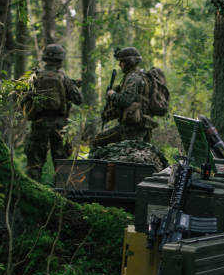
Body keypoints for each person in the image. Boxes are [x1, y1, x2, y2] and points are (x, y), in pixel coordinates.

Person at [22, 44, 82, 181]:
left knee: (34, 163)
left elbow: (24, 98)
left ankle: (33, 191)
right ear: (60, 61)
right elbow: (78, 99)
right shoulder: (63, 78)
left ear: (45, 59)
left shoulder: (35, 76)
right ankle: (61, 195)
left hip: (39, 123)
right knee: (61, 163)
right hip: (59, 124)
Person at [93, 47, 158, 147]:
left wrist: (112, 94)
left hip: (131, 130)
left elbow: (126, 100)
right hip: (138, 127)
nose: (119, 64)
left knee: (98, 140)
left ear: (129, 62)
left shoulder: (133, 78)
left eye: (122, 62)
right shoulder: (139, 75)